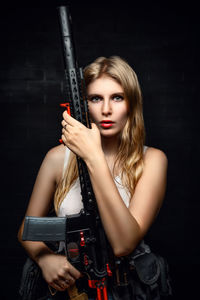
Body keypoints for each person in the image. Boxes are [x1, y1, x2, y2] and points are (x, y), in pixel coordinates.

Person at [18, 56, 168, 300]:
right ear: (83, 104)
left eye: (117, 97)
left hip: (126, 289)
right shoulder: (58, 159)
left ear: (131, 103)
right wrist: (45, 260)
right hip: (72, 290)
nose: (106, 109)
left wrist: (93, 156)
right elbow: (27, 229)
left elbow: (124, 244)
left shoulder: (152, 160)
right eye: (95, 98)